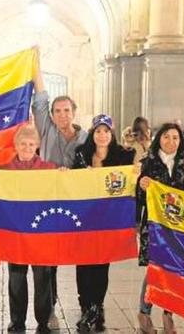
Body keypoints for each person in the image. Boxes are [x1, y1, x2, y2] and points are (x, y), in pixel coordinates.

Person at [31, 50, 87, 328]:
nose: (62, 114)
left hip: (76, 204)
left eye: (66, 110)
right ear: (51, 115)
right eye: (57, 111)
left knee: (82, 253)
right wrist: (35, 63)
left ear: (73, 113)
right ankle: (48, 303)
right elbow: (40, 98)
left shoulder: (86, 137)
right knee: (47, 255)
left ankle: (87, 305)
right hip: (48, 200)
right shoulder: (46, 129)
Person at [135, 122, 184, 334]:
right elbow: (137, 197)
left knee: (173, 270)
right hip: (155, 226)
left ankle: (168, 314)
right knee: (155, 269)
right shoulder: (147, 163)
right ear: (158, 139)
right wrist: (141, 186)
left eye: (175, 137)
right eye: (166, 136)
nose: (170, 141)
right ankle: (144, 312)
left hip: (179, 228)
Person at [72, 114, 135, 332]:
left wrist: (136, 172)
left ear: (112, 133)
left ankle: (97, 306)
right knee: (83, 264)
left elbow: (130, 179)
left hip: (108, 220)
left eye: (106, 131)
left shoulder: (123, 156)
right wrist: (70, 174)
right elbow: (71, 180)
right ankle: (85, 305)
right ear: (93, 133)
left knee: (101, 264)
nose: (102, 135)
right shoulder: (82, 154)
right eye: (98, 131)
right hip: (84, 219)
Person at [0, 125, 58, 334]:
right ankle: (17, 321)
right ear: (16, 145)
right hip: (15, 234)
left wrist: (65, 176)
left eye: (31, 144)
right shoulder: (3, 171)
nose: (26, 147)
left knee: (43, 278)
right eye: (23, 144)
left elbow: (64, 189)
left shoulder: (50, 169)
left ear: (37, 146)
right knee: (16, 278)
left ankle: (43, 321)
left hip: (41, 234)